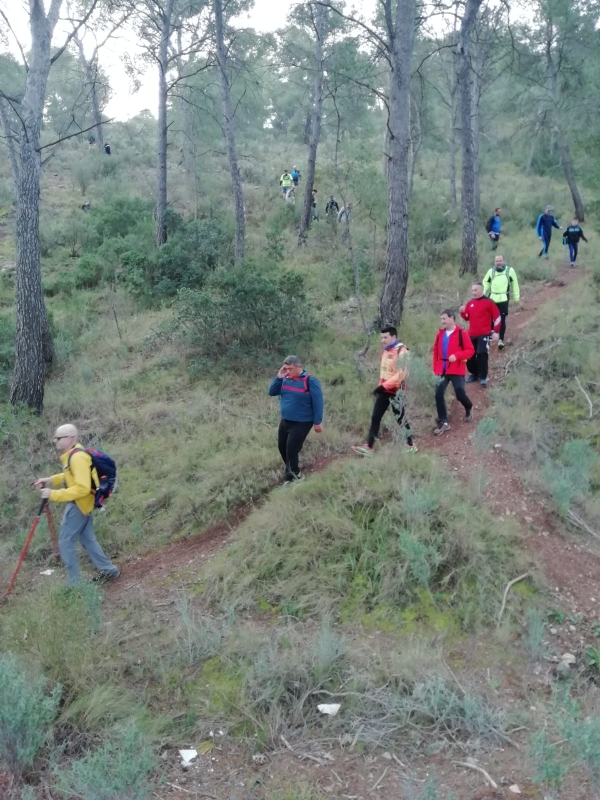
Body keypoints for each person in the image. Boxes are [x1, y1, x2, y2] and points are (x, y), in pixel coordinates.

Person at [33, 424, 120, 586]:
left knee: (66, 542)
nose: (55, 441)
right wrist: (50, 480)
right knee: (88, 540)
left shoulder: (77, 457)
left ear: (71, 439)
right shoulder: (74, 454)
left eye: (58, 438)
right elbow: (70, 474)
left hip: (79, 505)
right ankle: (109, 570)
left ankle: (74, 584)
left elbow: (82, 488)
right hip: (84, 503)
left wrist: (53, 494)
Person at [351, 326, 417, 456]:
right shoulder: (386, 351)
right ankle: (369, 446)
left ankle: (410, 444)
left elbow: (401, 374)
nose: (383, 340)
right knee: (375, 417)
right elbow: (384, 372)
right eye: (381, 337)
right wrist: (380, 387)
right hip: (384, 390)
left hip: (397, 391)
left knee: (400, 418)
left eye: (385, 337)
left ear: (394, 337)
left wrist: (384, 386)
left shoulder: (403, 352)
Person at [268, 356, 324, 484]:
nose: (288, 371)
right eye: (286, 368)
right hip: (285, 420)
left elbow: (318, 402)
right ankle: (293, 471)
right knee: (282, 447)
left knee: (292, 450)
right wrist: (279, 377)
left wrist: (317, 422)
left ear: (299, 367)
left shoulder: (310, 381)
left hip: (302, 422)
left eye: (290, 369)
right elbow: (271, 392)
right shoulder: (285, 379)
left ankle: (292, 477)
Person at [432, 310, 475, 436]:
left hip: (456, 369)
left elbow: (470, 350)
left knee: (460, 394)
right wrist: (435, 368)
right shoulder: (440, 334)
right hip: (442, 370)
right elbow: (435, 352)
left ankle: (468, 406)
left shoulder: (462, 333)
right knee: (438, 394)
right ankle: (444, 422)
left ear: (452, 318)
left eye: (444, 318)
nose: (442, 321)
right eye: (441, 319)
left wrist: (457, 355)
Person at [460, 282, 501, 386]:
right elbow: (467, 317)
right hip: (471, 334)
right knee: (470, 355)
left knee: (482, 353)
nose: (474, 292)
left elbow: (497, 317)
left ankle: (483, 377)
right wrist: (462, 312)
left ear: (481, 290)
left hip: (484, 334)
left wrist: (495, 331)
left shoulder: (489, 302)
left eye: (476, 290)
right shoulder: (470, 303)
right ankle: (474, 374)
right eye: (472, 290)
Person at [482, 255, 520, 349]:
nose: (498, 263)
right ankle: (491, 337)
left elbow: (515, 284)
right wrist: (482, 293)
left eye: (500, 261)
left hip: (504, 298)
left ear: (503, 261)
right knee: (490, 319)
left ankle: (501, 340)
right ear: (494, 262)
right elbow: (485, 282)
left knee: (502, 319)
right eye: (497, 261)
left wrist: (516, 298)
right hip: (492, 299)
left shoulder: (510, 271)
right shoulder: (491, 271)